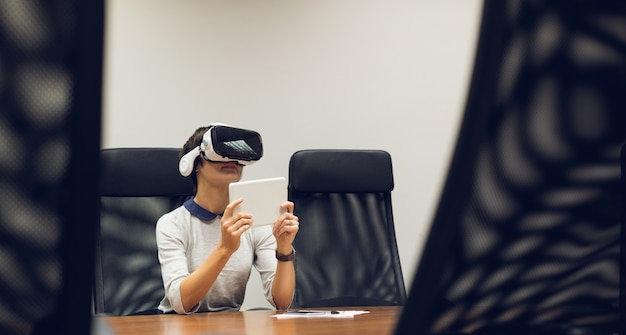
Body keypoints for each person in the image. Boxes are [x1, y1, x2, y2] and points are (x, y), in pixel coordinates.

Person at [156, 125, 299, 314]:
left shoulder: (253, 222)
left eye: (237, 156)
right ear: (195, 163)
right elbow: (180, 302)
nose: (232, 160)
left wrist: (284, 249)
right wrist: (225, 249)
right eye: (222, 153)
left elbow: (281, 302)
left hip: (230, 324)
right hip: (178, 325)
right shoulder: (172, 224)